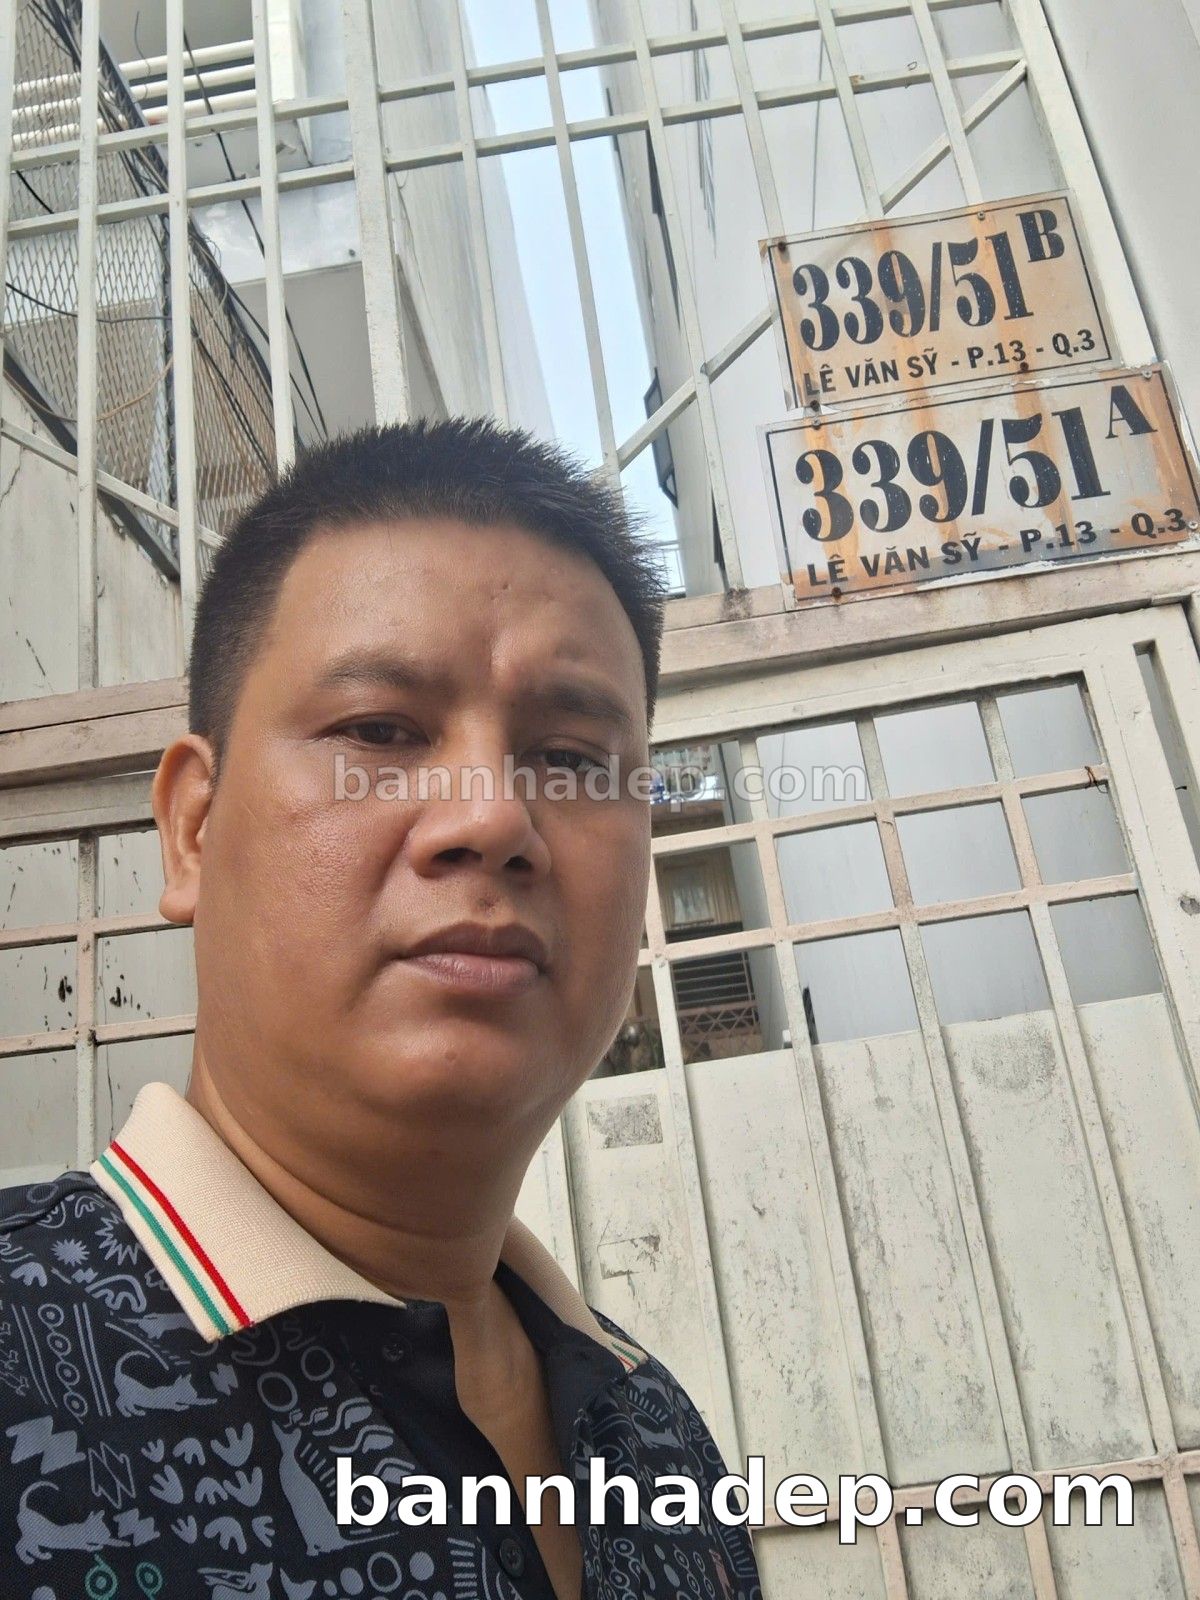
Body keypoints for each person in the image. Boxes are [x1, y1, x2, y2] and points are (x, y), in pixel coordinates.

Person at [0, 419, 763, 1599]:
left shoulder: (660, 1437)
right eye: (380, 732)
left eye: (570, 756)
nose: (494, 819)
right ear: (193, 827)